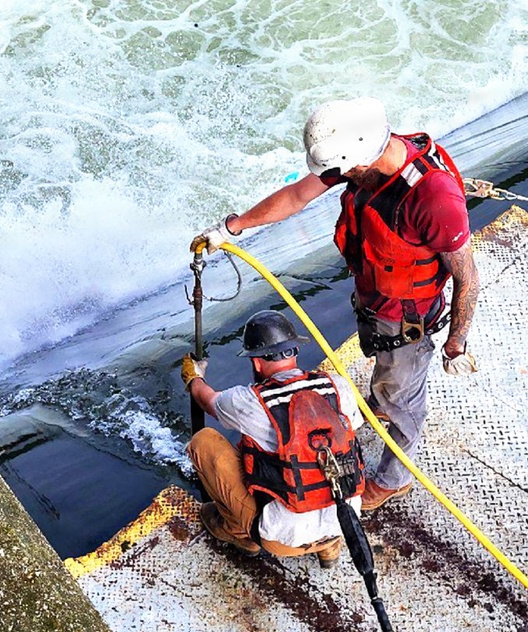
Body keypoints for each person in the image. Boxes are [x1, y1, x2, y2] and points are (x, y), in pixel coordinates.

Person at [194, 97, 479, 511]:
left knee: (405, 403)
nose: (335, 178)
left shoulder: (433, 199)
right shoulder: (363, 156)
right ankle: (382, 404)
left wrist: (456, 343)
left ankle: (393, 479)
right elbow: (295, 196)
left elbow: (467, 276)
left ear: (357, 160)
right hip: (375, 305)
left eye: (341, 171)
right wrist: (231, 227)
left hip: (407, 323)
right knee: (388, 384)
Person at [182, 310, 365, 568]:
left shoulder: (250, 401)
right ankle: (329, 548)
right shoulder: (336, 385)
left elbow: (206, 399)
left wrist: (193, 377)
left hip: (282, 539)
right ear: (294, 352)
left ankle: (240, 534)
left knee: (204, 442)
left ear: (256, 363)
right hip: (346, 523)